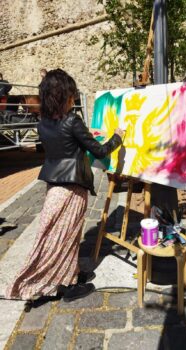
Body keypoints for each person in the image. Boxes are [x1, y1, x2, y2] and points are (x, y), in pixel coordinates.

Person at [5, 69, 124, 302]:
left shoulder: (42, 123)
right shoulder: (73, 120)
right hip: (72, 188)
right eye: (71, 95)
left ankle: (73, 273)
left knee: (58, 236)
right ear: (62, 96)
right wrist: (117, 137)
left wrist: (88, 137)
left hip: (54, 189)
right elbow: (99, 150)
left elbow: (67, 145)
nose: (74, 99)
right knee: (67, 236)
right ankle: (67, 287)